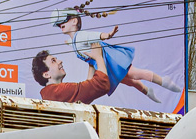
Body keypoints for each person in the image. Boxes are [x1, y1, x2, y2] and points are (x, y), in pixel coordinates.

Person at [52, 10, 182, 102]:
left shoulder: (81, 36)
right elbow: (91, 62)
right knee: (129, 81)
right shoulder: (74, 42)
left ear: (74, 21)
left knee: (135, 74)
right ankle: (147, 91)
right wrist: (89, 81)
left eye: (63, 22)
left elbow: (97, 36)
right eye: (59, 25)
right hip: (103, 66)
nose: (60, 25)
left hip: (110, 62)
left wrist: (108, 35)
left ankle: (163, 81)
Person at [30, 45, 114, 104]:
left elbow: (86, 93)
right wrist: (99, 57)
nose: (60, 61)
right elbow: (102, 84)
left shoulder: (51, 94)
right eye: (53, 61)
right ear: (46, 74)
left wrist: (91, 64)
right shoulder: (59, 91)